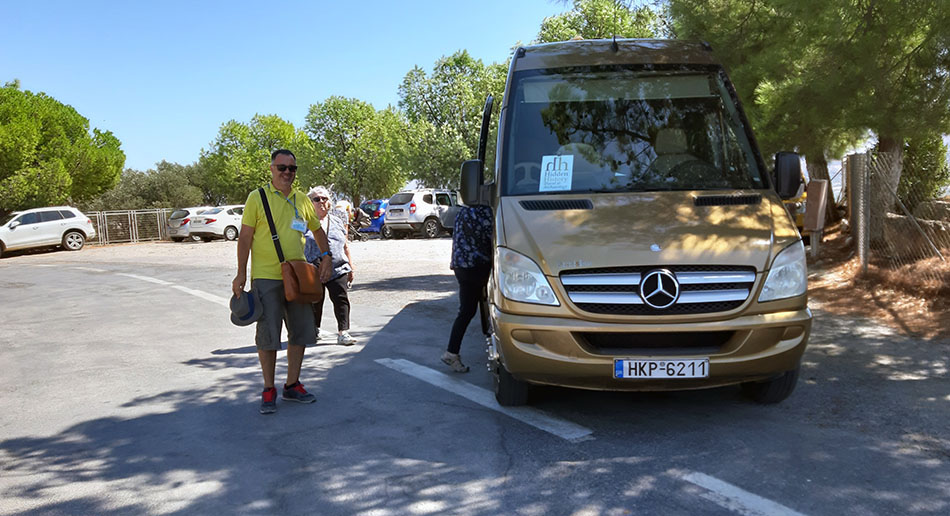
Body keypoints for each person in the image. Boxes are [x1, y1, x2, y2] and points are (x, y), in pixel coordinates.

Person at [232, 149, 333, 415]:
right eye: (282, 167)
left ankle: (292, 384)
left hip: (298, 277)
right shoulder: (257, 198)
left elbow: (317, 231)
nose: (287, 172)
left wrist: (327, 257)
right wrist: (241, 273)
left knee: (300, 332)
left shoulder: (302, 200)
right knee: (268, 335)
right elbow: (245, 238)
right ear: (272, 169)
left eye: (292, 168)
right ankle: (269, 388)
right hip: (267, 277)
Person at [441, 202, 493, 373]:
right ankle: (452, 352)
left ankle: (452, 352)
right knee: (481, 308)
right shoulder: (486, 213)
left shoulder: (462, 212)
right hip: (477, 266)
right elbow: (494, 240)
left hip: (460, 266)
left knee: (467, 310)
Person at [306, 186, 357, 346]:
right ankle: (314, 329)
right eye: (317, 199)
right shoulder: (303, 222)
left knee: (341, 299)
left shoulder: (337, 221)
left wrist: (350, 265)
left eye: (324, 198)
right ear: (310, 203)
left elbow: (345, 245)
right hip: (313, 269)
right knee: (315, 300)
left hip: (338, 267)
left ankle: (343, 332)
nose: (321, 201)